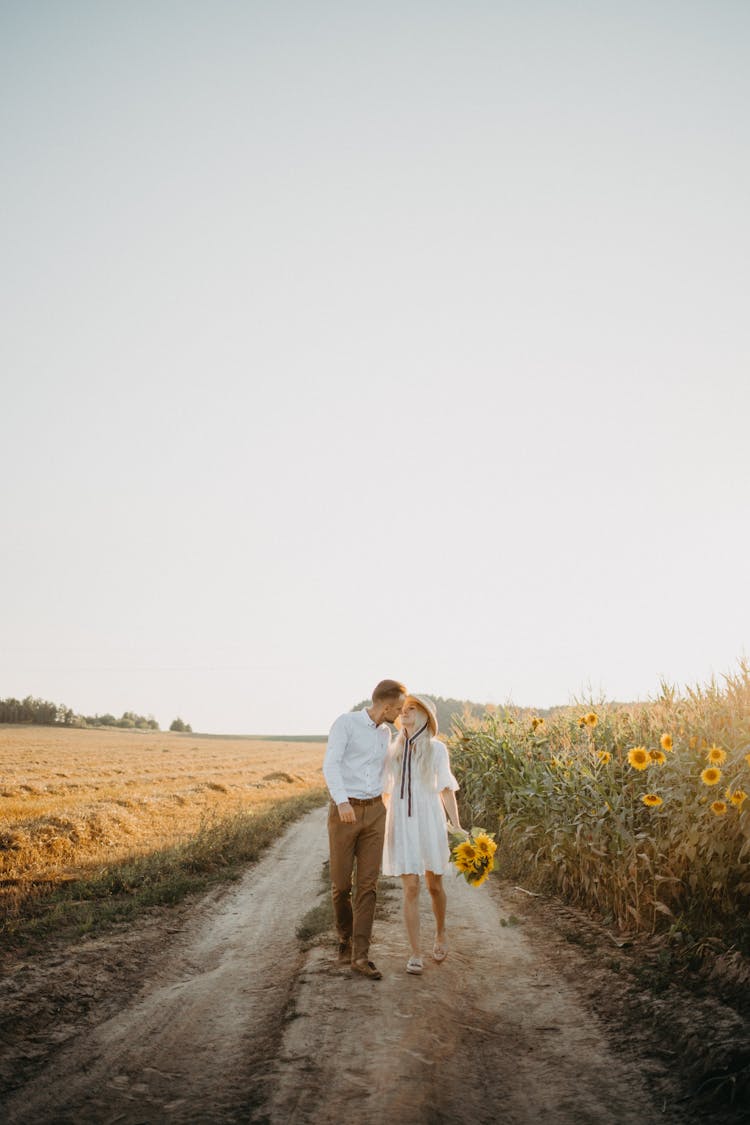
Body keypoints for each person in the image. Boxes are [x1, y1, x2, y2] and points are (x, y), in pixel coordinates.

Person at [323, 679, 407, 979]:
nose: (398, 714)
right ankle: (344, 936)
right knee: (341, 885)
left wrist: (386, 802)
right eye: (397, 709)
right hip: (344, 812)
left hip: (374, 812)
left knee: (368, 885)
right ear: (385, 706)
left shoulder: (386, 733)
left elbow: (387, 771)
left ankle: (361, 956)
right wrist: (343, 802)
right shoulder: (345, 724)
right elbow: (331, 764)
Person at [382, 694, 462, 975]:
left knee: (434, 885)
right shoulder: (393, 750)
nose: (404, 714)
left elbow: (446, 789)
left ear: (426, 715)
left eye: (412, 709)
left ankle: (440, 932)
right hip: (403, 821)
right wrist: (393, 820)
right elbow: (386, 790)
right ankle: (415, 952)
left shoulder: (437, 750)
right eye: (402, 710)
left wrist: (457, 825)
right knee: (411, 887)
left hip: (429, 818)